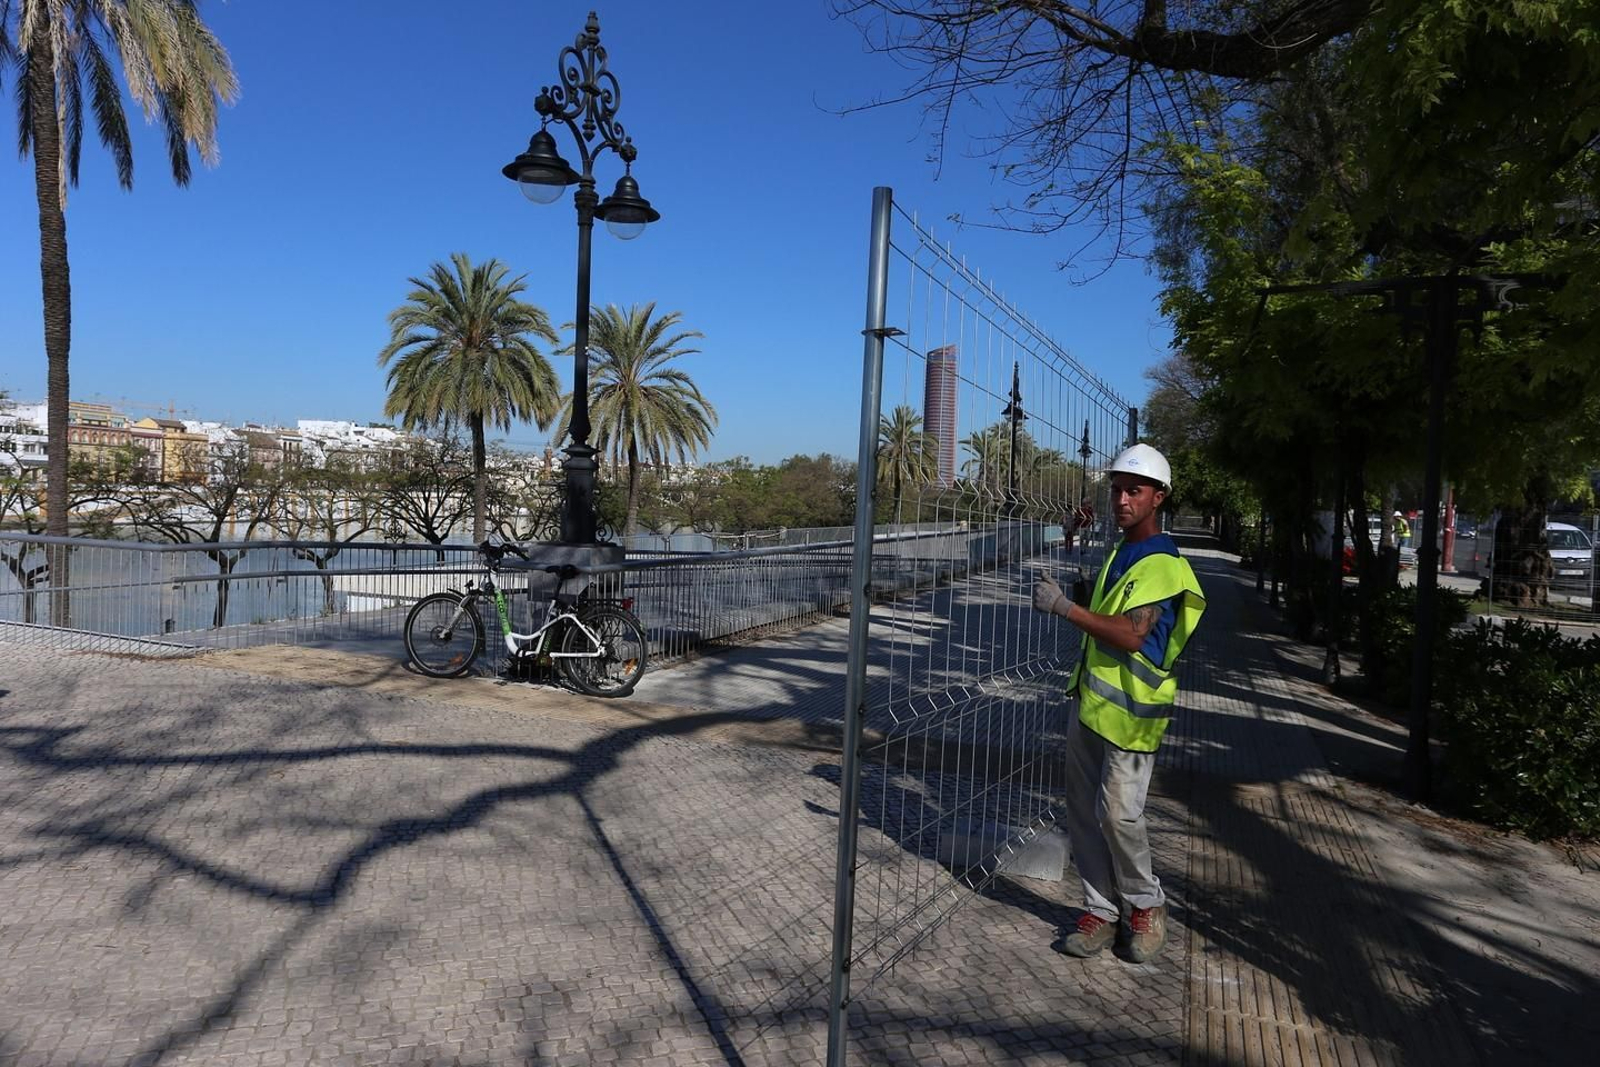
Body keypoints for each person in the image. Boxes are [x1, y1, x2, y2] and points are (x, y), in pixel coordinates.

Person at [1031, 443, 1207, 963]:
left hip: (1132, 715)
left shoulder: (1162, 564)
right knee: (1084, 813)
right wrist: (1084, 598)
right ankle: (1101, 912)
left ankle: (1146, 905)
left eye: (1135, 490)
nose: (1123, 499)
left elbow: (1133, 635)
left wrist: (1064, 608)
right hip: (1090, 703)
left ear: (1159, 498)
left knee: (1119, 816)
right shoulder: (1119, 552)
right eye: (1117, 490)